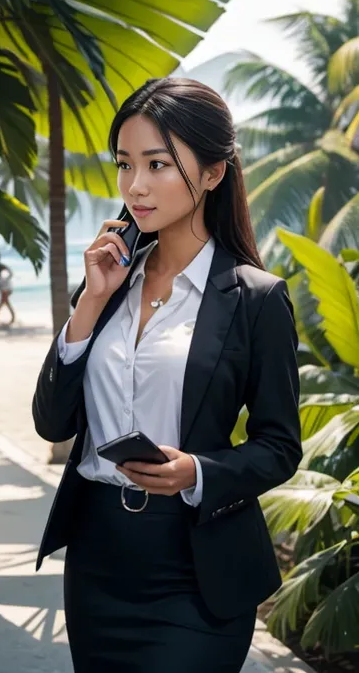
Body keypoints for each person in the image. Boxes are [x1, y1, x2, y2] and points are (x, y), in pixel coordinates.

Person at [32, 78, 302, 673]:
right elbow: (52, 421)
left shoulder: (256, 299)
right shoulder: (104, 284)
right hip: (98, 561)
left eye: (157, 164)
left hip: (196, 567)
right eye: (125, 164)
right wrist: (88, 306)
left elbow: (280, 447)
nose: (135, 186)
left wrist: (197, 472)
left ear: (211, 173)